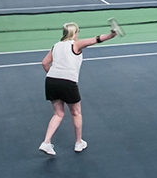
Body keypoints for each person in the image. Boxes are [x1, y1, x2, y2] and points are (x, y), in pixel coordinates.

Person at [38, 22, 117, 156]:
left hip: (51, 81)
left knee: (58, 114)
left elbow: (44, 63)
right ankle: (79, 143)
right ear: (75, 33)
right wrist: (111, 35)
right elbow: (95, 40)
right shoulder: (75, 44)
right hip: (68, 83)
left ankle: (46, 143)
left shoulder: (56, 46)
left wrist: (55, 76)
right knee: (76, 113)